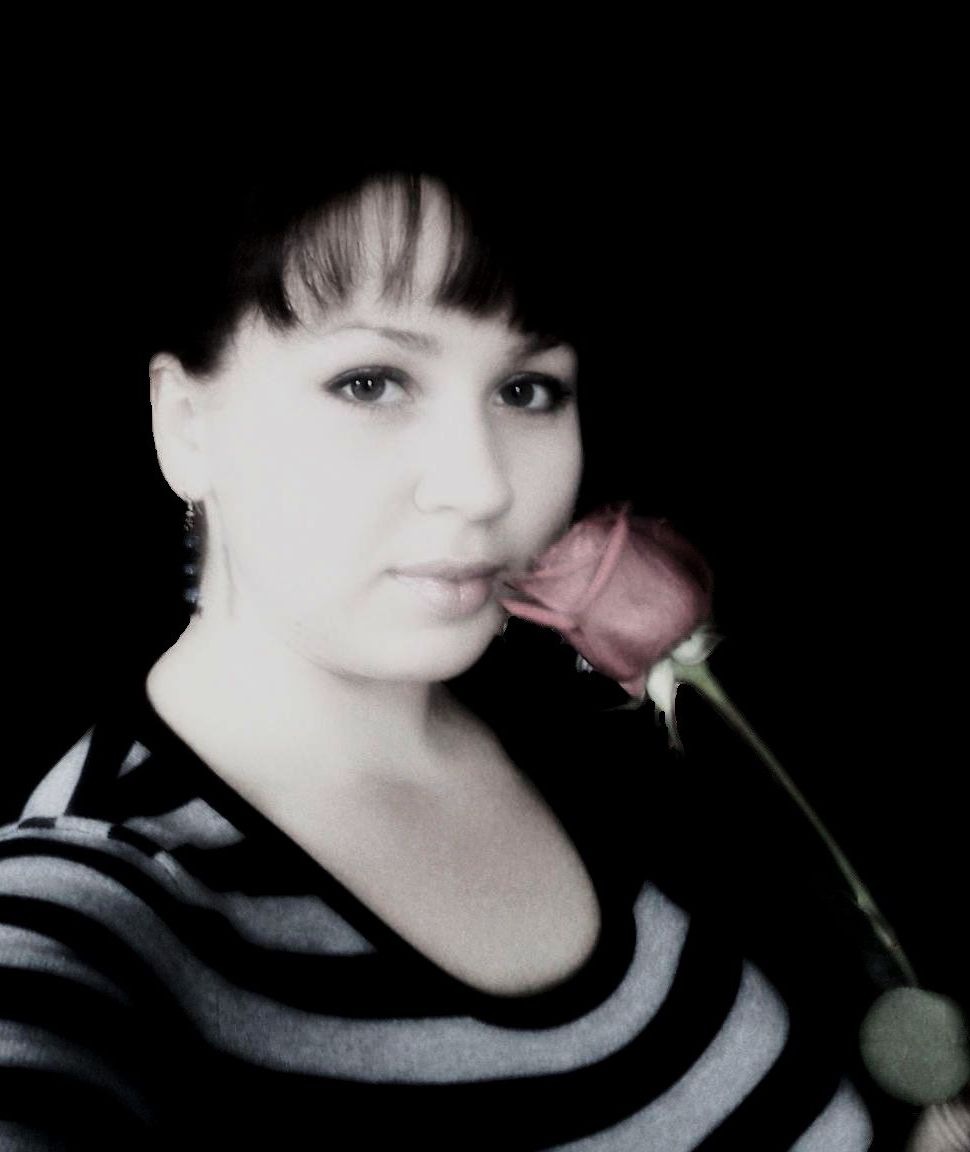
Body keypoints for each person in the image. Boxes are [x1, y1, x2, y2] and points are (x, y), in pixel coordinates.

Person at [0, 155, 882, 1149]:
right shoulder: (100, 897)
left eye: (528, 389)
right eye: (370, 382)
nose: (482, 485)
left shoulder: (596, 722)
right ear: (184, 424)